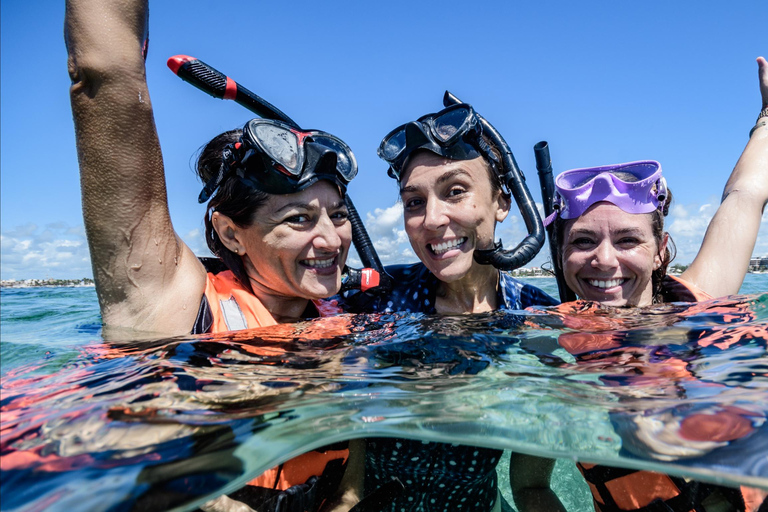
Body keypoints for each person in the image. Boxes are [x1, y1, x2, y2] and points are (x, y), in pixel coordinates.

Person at [65, 1, 364, 510]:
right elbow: (103, 72)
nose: (333, 239)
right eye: (298, 219)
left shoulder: (344, 318)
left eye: (337, 214)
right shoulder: (176, 302)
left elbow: (351, 477)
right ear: (229, 234)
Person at [540, 56, 768, 512]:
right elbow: (529, 486)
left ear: (662, 250)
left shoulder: (703, 301)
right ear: (561, 254)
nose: (604, 260)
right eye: (583, 241)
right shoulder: (547, 349)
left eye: (628, 239)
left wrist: (767, 118)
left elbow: (745, 195)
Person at [337, 101, 563, 511]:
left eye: (455, 191)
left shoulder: (540, 322)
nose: (431, 219)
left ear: (502, 201)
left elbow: (532, 487)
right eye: (413, 202)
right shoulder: (376, 299)